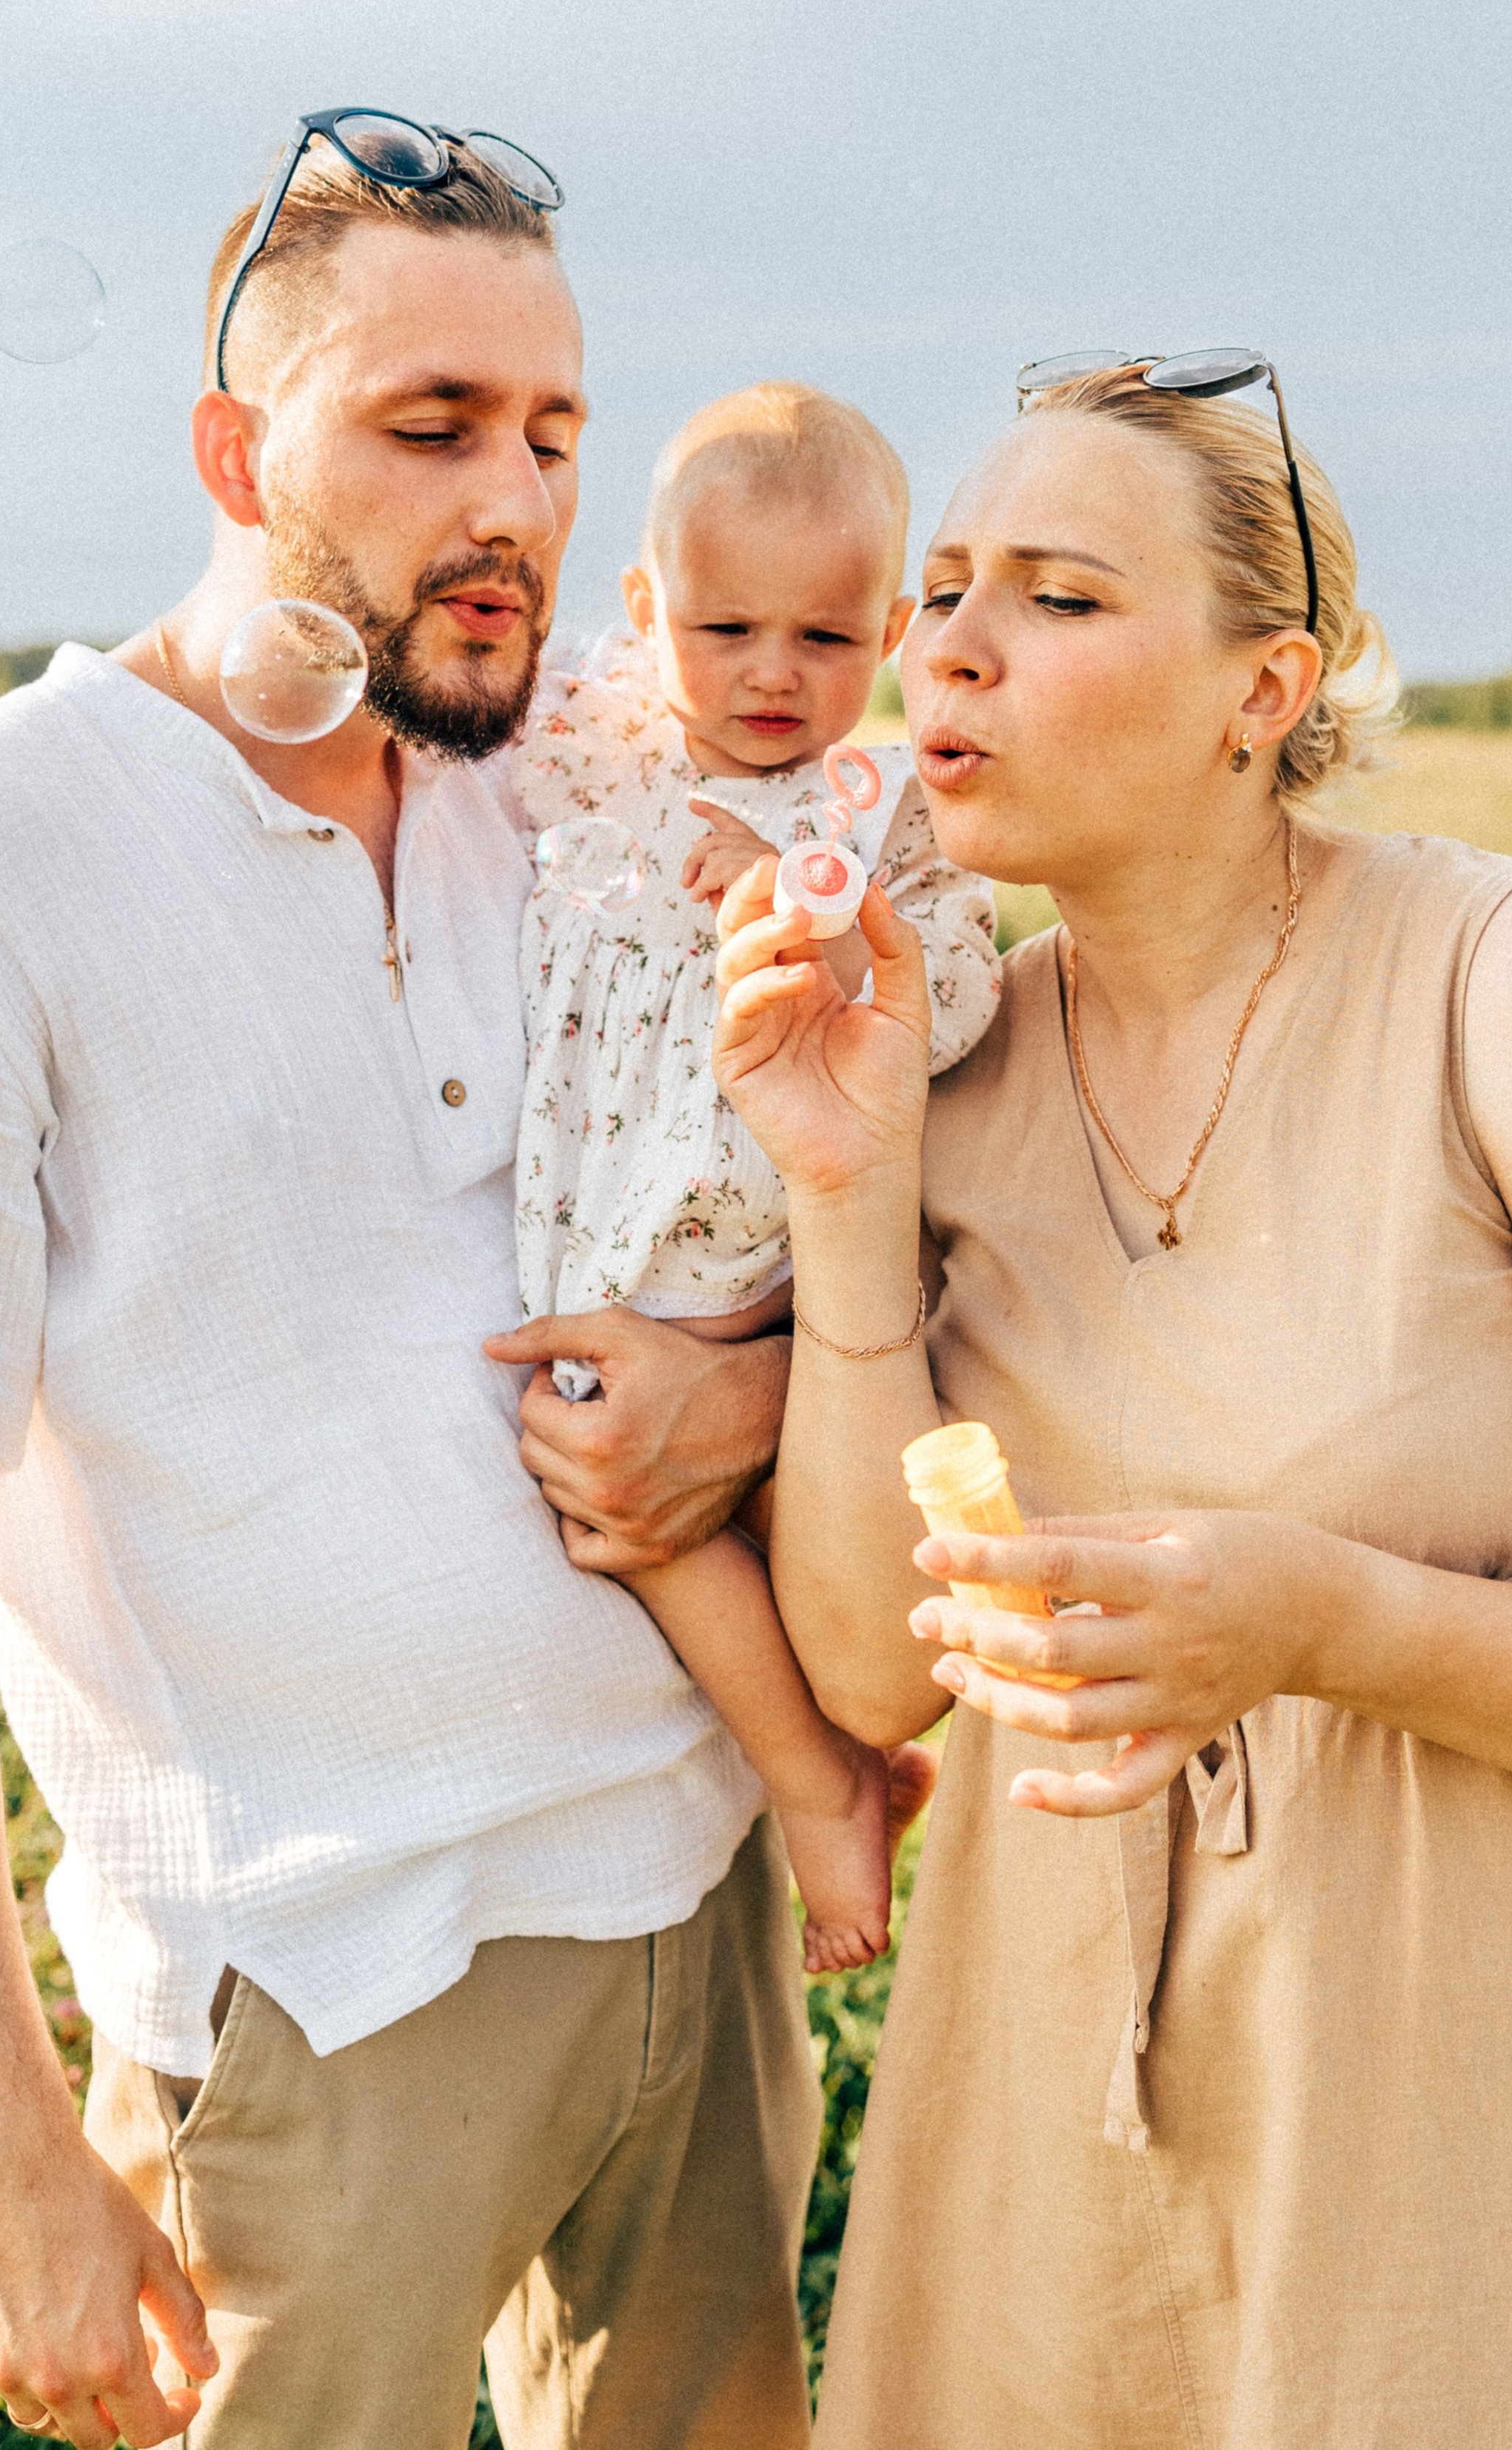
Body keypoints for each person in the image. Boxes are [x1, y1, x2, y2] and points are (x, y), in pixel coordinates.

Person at [0, 126, 817, 2450]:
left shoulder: (591, 777)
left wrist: (761, 1402)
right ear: (236, 451)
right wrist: (3, 2140)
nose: (511, 501)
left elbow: (788, 1186)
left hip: (700, 1909)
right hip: (322, 1994)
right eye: (430, 429)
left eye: (550, 434)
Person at [712, 358, 1512, 2448]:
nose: (950, 650)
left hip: (1474, 2142)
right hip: (1051, 2165)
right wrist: (844, 1198)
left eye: (1059, 596)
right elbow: (865, 1669)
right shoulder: (950, 1065)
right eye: (939, 592)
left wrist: (1334, 1627)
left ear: (1261, 687)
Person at [515, 380, 1000, 1967]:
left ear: (891, 632)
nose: (775, 678)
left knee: (738, 1527)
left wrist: (812, 912)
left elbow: (961, 985)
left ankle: (833, 1768)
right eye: (725, 631)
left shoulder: (881, 814)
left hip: (777, 1243)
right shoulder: (597, 733)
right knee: (651, 1521)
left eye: (826, 639)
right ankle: (827, 1775)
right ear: (646, 610)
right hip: (617, 1233)